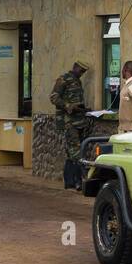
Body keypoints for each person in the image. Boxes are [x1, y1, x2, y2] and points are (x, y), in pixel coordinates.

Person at [50, 59, 90, 188]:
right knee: (76, 151)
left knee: (71, 152)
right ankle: (78, 181)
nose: (82, 73)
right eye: (81, 70)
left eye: (83, 72)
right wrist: (68, 106)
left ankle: (69, 182)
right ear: (75, 67)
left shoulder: (78, 81)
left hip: (79, 120)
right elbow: (54, 97)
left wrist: (83, 109)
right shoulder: (63, 79)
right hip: (69, 121)